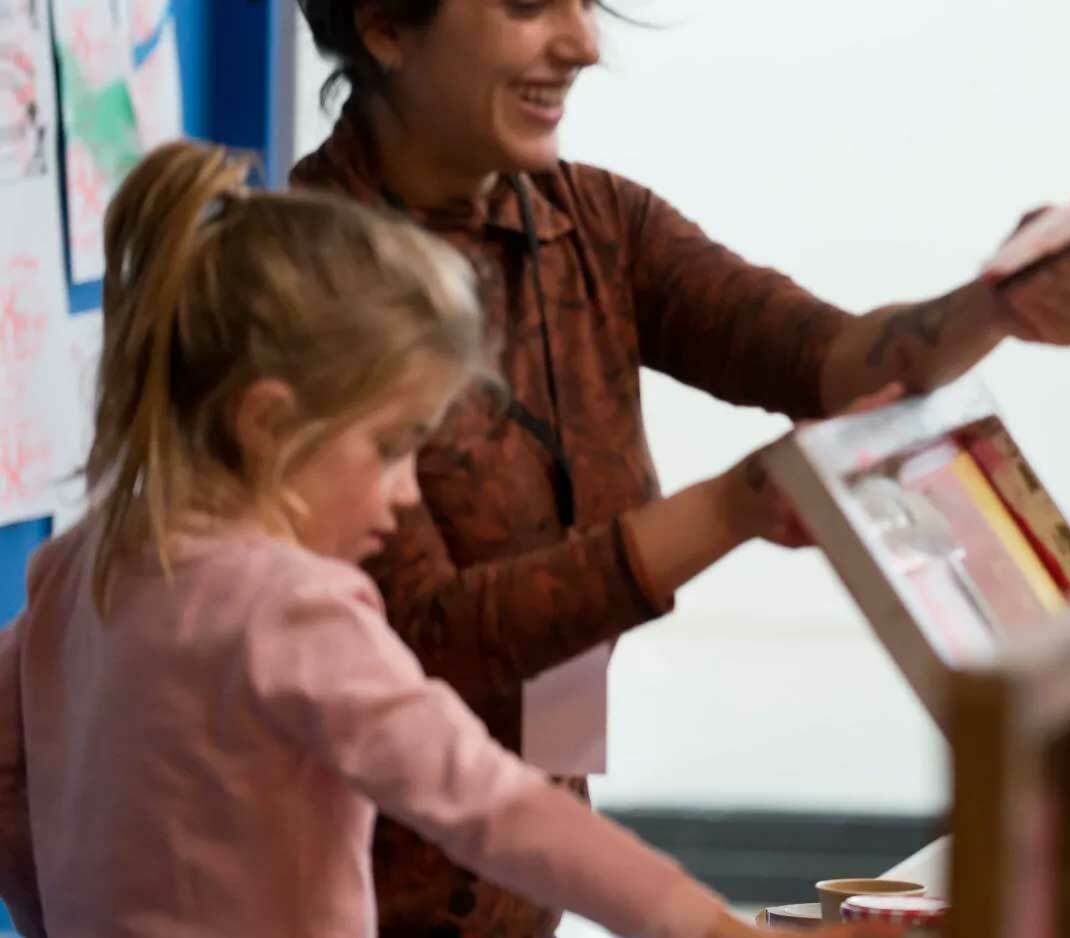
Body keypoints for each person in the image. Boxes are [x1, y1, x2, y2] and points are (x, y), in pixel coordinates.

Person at [290, 2, 1070, 933]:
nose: (583, 44)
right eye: (528, 4)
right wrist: (731, 508)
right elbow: (422, 641)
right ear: (385, 27)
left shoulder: (592, 224)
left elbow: (824, 358)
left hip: (520, 891)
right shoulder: (296, 284)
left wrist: (996, 301)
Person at [0, 140, 871, 938]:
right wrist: (711, 928)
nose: (405, 493)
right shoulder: (294, 610)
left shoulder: (77, 570)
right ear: (268, 426)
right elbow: (490, 805)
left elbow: (8, 787)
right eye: (390, 448)